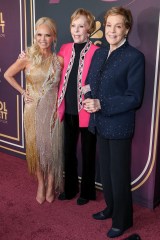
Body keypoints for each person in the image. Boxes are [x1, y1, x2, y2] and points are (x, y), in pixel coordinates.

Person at [83, 6, 145, 238]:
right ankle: (110, 208)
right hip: (99, 123)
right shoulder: (99, 53)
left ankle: (123, 219)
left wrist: (102, 104)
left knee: (118, 175)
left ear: (126, 29)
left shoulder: (134, 57)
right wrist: (88, 99)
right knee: (106, 173)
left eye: (118, 26)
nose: (112, 30)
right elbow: (89, 82)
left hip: (119, 126)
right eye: (109, 25)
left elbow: (134, 97)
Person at [4, 17, 64, 204]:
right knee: (36, 150)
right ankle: (40, 183)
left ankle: (51, 182)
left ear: (54, 37)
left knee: (52, 149)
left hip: (53, 111)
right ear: (35, 36)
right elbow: (7, 74)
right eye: (39, 35)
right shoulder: (27, 58)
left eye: (47, 35)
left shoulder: (59, 60)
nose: (43, 39)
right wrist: (23, 92)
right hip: (32, 111)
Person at [57, 8, 99, 205]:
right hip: (68, 110)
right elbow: (52, 72)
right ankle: (70, 188)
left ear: (89, 28)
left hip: (87, 112)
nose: (76, 30)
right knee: (68, 152)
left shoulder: (97, 52)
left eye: (81, 26)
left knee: (88, 153)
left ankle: (87, 192)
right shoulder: (64, 48)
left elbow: (97, 81)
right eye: (74, 25)